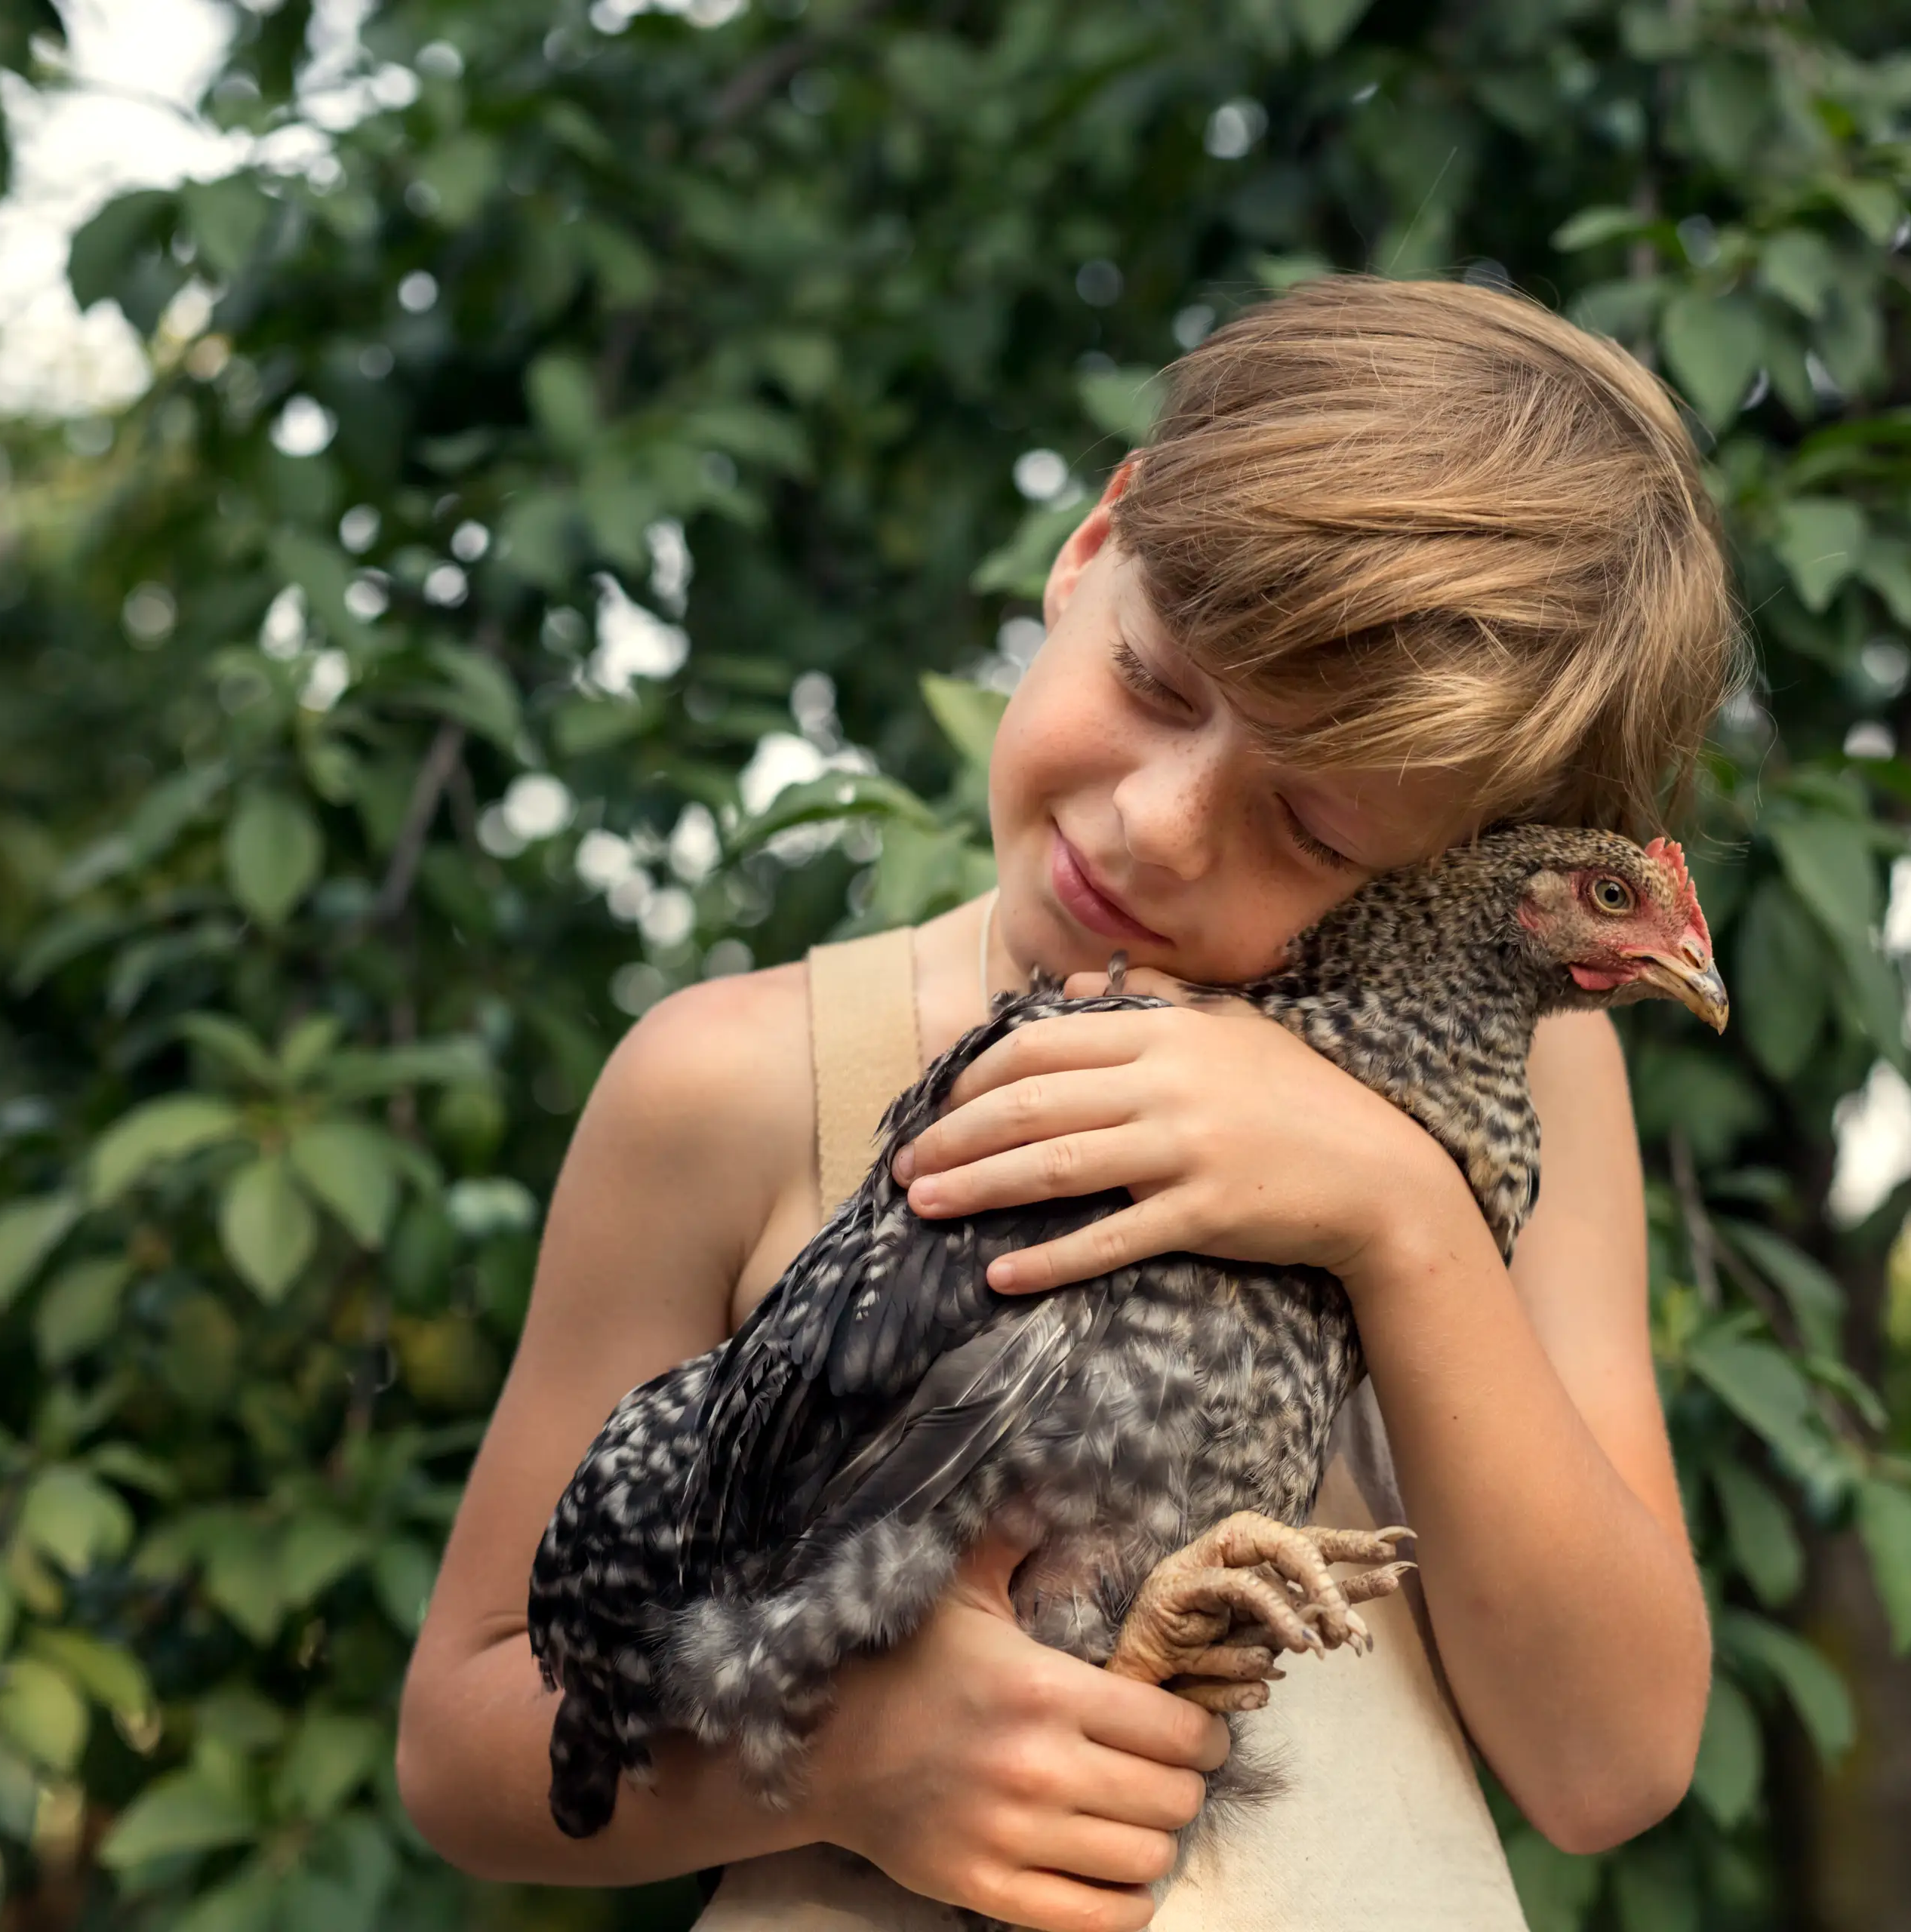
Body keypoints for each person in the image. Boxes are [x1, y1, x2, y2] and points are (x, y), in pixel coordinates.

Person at [395, 272, 1740, 1931]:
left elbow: (1610, 1761)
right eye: (1160, 684)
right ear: (1096, 541)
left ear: (1460, 857)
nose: (1161, 825)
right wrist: (827, 1764)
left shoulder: (1526, 1095)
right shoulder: (737, 1080)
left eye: (1314, 830)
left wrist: (1397, 1212)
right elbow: (464, 1735)